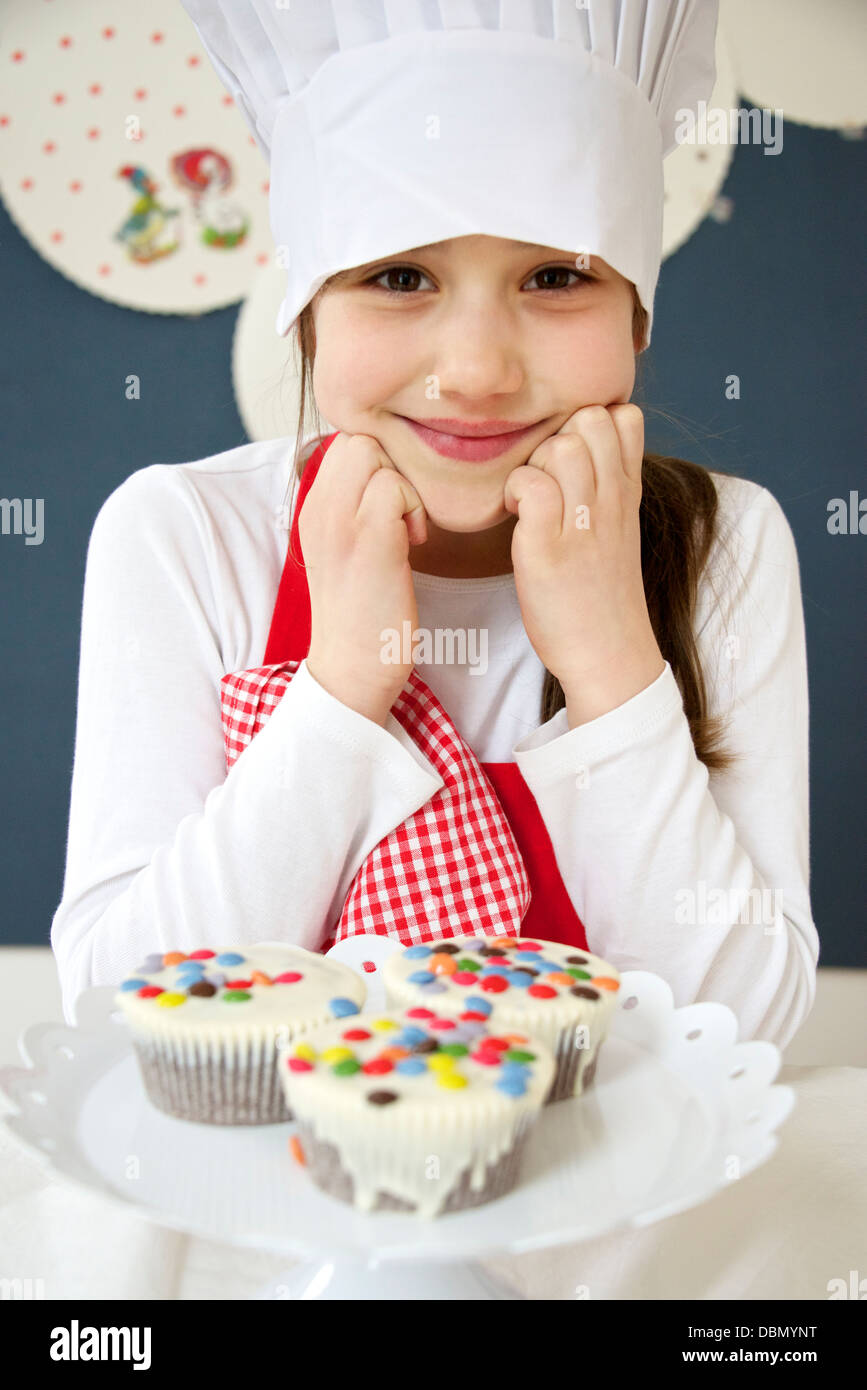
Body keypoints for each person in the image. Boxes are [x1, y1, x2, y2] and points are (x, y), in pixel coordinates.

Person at [50, 1, 817, 1050]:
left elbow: (750, 1029)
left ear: (638, 312)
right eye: (399, 277)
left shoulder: (725, 545)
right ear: (307, 306)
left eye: (556, 277)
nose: (476, 372)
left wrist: (610, 669)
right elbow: (112, 1014)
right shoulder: (185, 537)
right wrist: (340, 694)